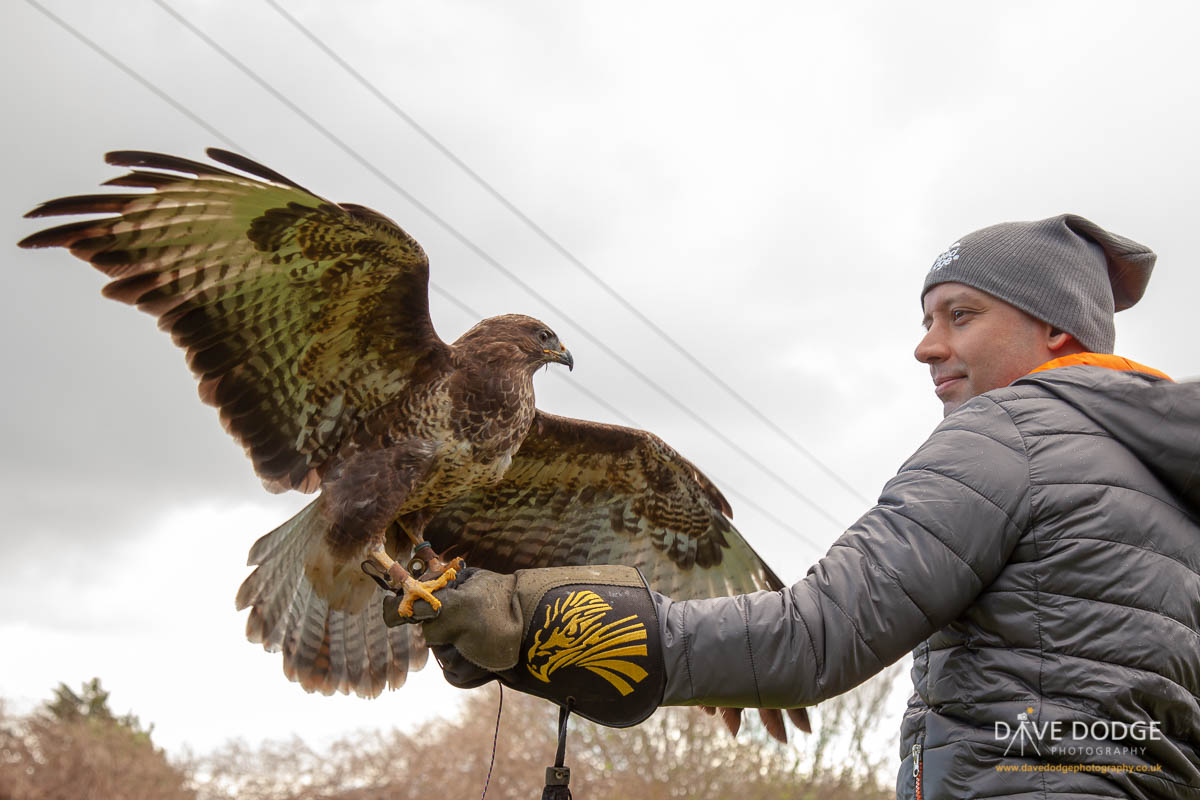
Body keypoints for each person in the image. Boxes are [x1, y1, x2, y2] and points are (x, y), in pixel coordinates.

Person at [387, 214, 1200, 799]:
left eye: (962, 315)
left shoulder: (1010, 436)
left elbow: (813, 637)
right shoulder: (1168, 482)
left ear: (1056, 330)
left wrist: (541, 630)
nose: (926, 344)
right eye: (926, 318)